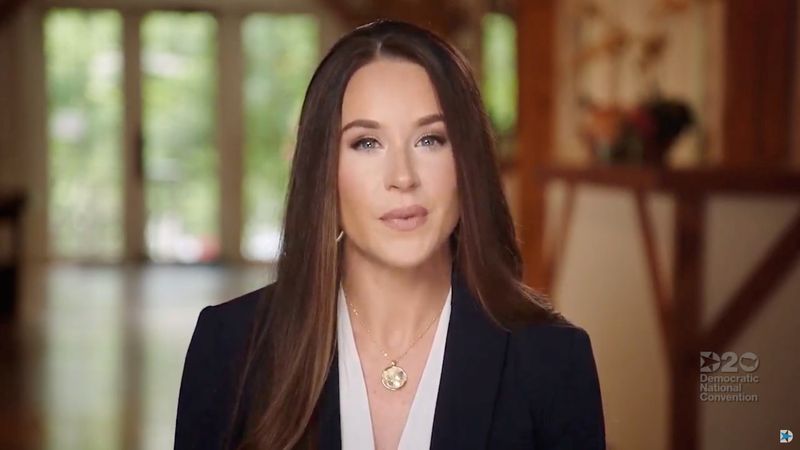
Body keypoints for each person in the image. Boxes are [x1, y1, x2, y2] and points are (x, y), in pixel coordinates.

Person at [175, 18, 605, 450]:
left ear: (466, 162)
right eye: (366, 143)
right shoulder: (229, 345)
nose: (402, 177)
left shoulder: (552, 359)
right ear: (324, 169)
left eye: (430, 140)